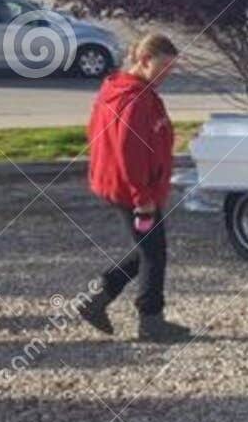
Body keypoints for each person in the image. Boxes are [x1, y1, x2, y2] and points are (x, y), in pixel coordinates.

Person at [76, 32, 192, 343]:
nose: (167, 75)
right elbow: (129, 152)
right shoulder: (134, 99)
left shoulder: (118, 89)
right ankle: (150, 321)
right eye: (163, 68)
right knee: (154, 253)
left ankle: (98, 299)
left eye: (171, 68)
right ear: (143, 60)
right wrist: (143, 197)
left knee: (148, 248)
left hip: (121, 184)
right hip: (133, 189)